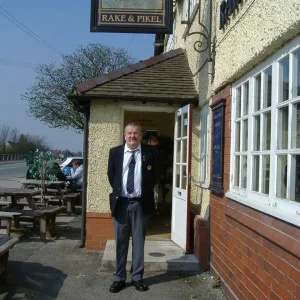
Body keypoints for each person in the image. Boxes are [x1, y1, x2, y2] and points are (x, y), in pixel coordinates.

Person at [107, 122, 158, 293]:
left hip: (140, 204)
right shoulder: (115, 152)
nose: (132, 136)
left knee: (138, 242)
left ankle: (137, 278)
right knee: (120, 242)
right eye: (129, 133)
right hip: (121, 202)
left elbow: (155, 176)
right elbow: (111, 175)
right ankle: (119, 278)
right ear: (124, 134)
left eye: (136, 133)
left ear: (140, 136)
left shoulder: (150, 152)